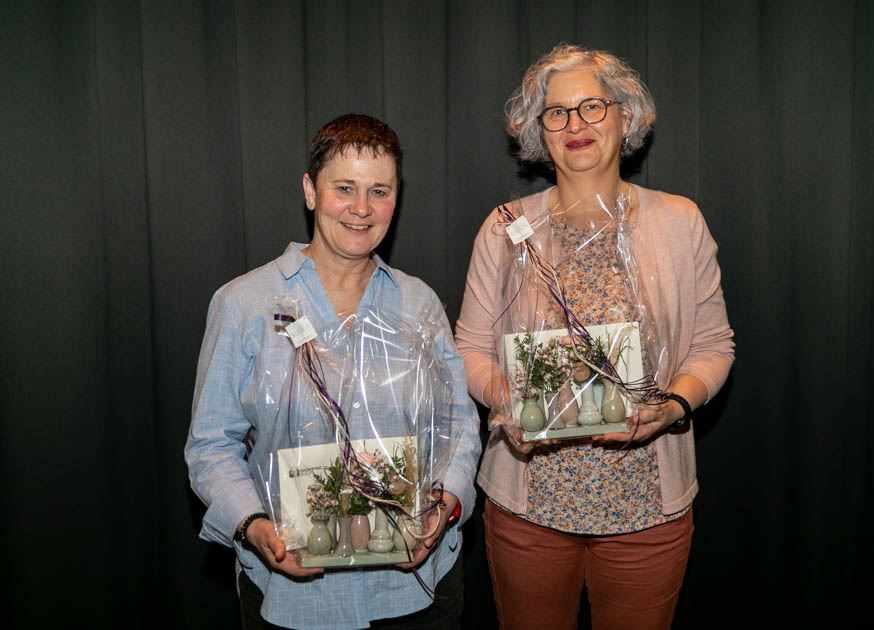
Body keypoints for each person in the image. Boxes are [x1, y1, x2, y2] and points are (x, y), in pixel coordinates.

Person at [455, 44, 735, 629]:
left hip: (647, 513)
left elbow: (713, 347)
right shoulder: (506, 228)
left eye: (592, 107)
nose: (575, 125)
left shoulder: (679, 223)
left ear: (625, 117)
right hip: (528, 509)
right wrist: (508, 401)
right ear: (540, 131)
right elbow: (471, 349)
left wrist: (676, 404)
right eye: (556, 113)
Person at [185, 113, 481, 630]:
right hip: (292, 598)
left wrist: (446, 503)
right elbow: (210, 444)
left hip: (414, 589)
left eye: (379, 191)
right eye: (344, 188)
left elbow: (459, 423)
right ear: (310, 191)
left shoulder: (419, 303)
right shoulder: (245, 304)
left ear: (396, 198)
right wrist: (255, 527)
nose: (362, 209)